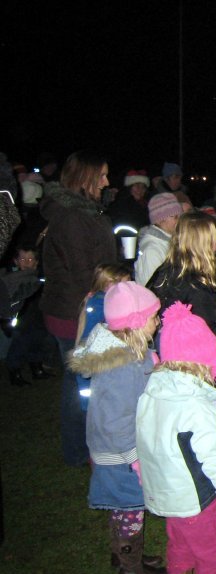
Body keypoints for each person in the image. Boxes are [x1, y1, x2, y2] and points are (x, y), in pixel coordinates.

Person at [135, 301, 216, 574]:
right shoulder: (196, 402)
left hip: (165, 488)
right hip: (195, 493)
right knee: (211, 550)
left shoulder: (154, 389)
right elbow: (211, 455)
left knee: (180, 540)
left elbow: (142, 436)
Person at [67, 281, 166, 574]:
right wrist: (135, 457)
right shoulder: (126, 366)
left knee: (119, 506)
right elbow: (120, 417)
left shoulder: (114, 352)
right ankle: (131, 566)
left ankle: (122, 553)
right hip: (121, 451)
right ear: (136, 322)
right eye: (153, 317)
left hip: (108, 448)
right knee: (131, 507)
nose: (158, 322)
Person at [39, 149, 117, 466]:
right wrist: (115, 285)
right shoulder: (71, 217)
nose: (107, 181)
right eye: (101, 175)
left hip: (86, 307)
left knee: (83, 383)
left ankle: (86, 444)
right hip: (75, 313)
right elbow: (84, 270)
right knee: (79, 386)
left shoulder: (85, 212)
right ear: (85, 177)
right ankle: (78, 450)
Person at [148, 212, 216, 431]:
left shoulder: (165, 274)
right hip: (198, 378)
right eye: (212, 240)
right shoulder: (195, 290)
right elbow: (213, 340)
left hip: (173, 374)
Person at [74, 263, 133, 408]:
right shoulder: (100, 306)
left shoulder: (102, 301)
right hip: (92, 363)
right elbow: (88, 338)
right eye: (125, 285)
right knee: (93, 403)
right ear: (109, 284)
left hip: (95, 363)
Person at [2, 245, 55, 385]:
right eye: (23, 259)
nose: (26, 262)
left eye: (30, 259)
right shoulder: (12, 279)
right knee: (20, 345)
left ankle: (37, 368)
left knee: (39, 342)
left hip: (39, 317)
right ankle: (15, 372)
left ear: (36, 262)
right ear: (16, 261)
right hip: (21, 319)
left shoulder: (39, 278)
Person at [134, 192, 185, 287]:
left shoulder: (171, 242)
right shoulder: (152, 250)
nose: (180, 221)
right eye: (176, 217)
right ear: (160, 219)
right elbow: (150, 286)